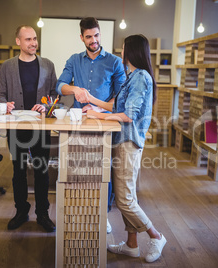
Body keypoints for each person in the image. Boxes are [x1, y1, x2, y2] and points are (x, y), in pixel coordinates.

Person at [85, 34, 166, 263]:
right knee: (126, 195)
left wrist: (96, 114)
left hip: (128, 143)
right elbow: (115, 106)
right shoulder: (133, 77)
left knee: (125, 200)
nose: (120, 52)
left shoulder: (140, 77)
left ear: (130, 52)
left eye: (122, 49)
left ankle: (156, 236)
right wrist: (95, 105)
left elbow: (128, 115)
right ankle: (132, 245)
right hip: (123, 142)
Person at [56, 17, 126, 233]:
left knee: (103, 170)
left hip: (104, 122)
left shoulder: (115, 62)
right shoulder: (74, 60)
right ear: (82, 38)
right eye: (89, 37)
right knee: (79, 167)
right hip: (79, 122)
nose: (93, 40)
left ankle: (102, 214)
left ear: (100, 34)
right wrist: (74, 90)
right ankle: (79, 210)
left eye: (96, 35)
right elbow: (60, 86)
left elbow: (121, 96)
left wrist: (101, 110)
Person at [0, 25, 57, 232]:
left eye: (35, 39)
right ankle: (21, 211)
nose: (33, 43)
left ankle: (43, 214)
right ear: (18, 42)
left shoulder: (48, 65)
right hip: (16, 127)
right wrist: (5, 105)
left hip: (40, 128)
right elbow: (1, 95)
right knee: (19, 170)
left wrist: (47, 105)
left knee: (41, 171)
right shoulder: (7, 66)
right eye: (28, 39)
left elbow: (54, 95)